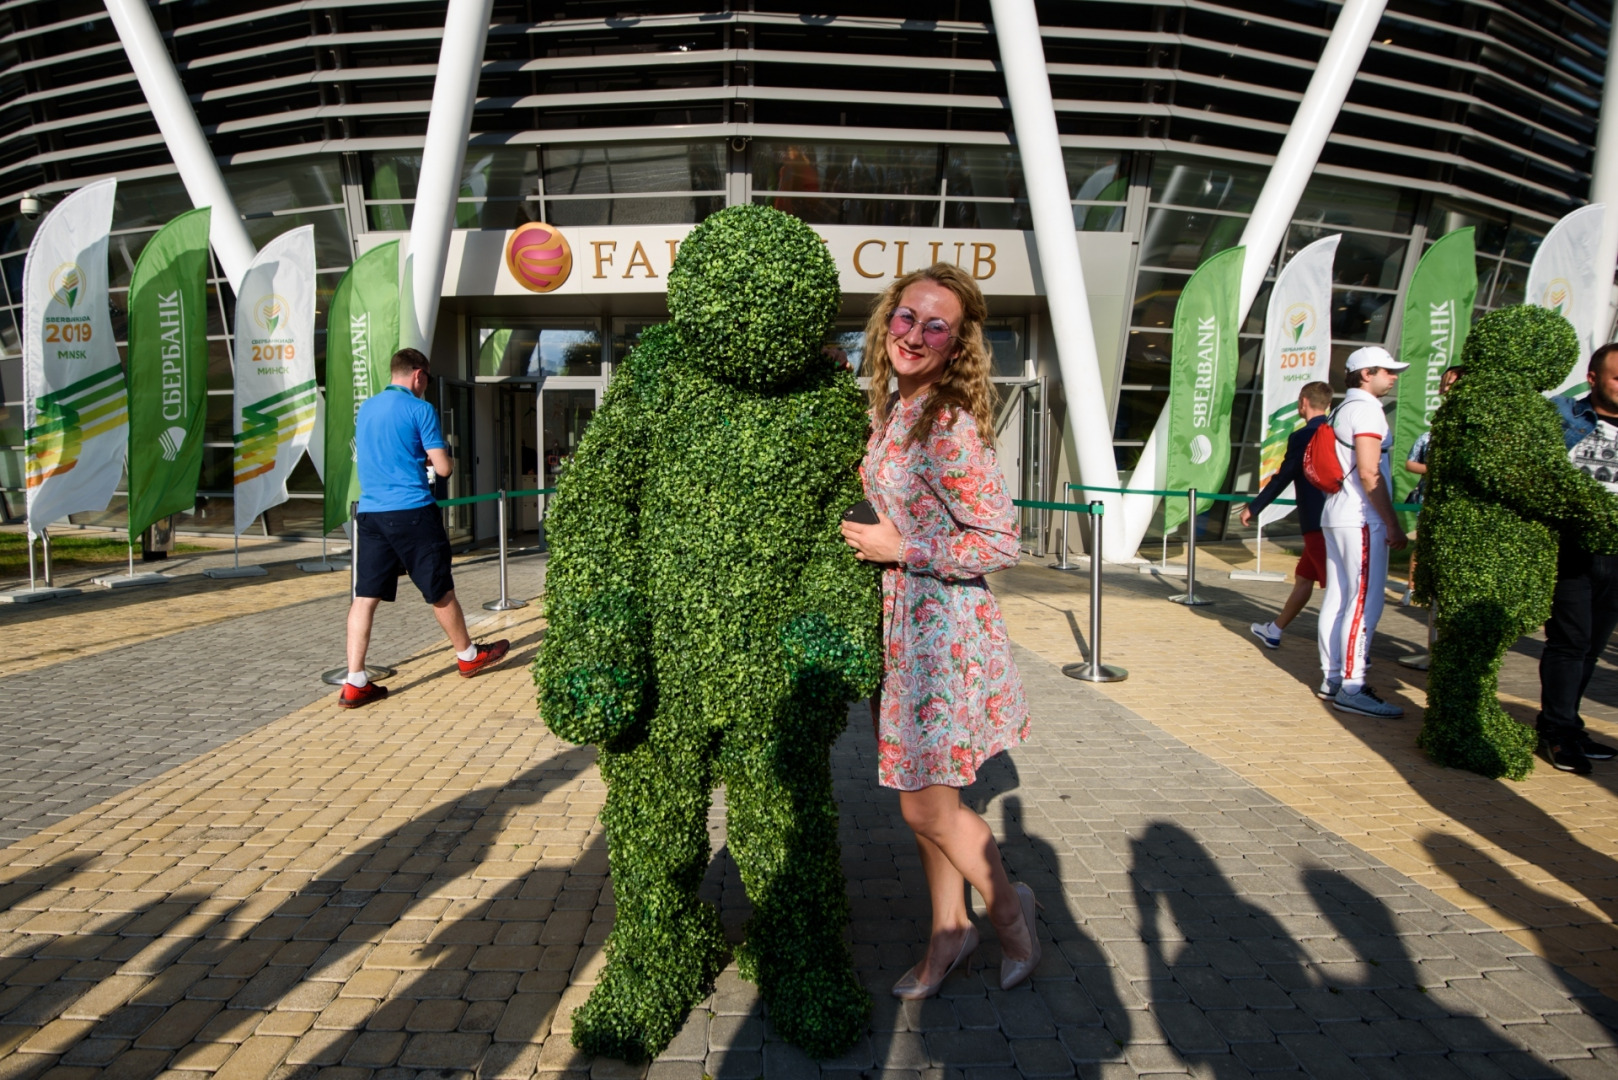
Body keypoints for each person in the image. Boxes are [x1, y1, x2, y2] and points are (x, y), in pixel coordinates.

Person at [839, 264, 1039, 999]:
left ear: (956, 346)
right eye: (906, 317)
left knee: (924, 806)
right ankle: (948, 934)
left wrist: (904, 550)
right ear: (886, 319)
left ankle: (1014, 922)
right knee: (935, 805)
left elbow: (1000, 543)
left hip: (943, 640)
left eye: (936, 326)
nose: (915, 335)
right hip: (902, 633)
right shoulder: (895, 408)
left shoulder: (948, 423)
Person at [339, 348, 509, 707]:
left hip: (369, 514)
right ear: (418, 375)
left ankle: (354, 681)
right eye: (427, 380)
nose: (426, 386)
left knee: (365, 597)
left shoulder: (366, 408)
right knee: (439, 589)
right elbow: (443, 468)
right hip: (412, 511)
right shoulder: (420, 410)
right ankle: (467, 656)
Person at [1317, 346, 1409, 718]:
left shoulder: (1340, 408)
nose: (1394, 377)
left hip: (1338, 512)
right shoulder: (1368, 410)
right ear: (1366, 374)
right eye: (1387, 371)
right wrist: (1391, 521)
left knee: (1339, 598)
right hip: (1360, 517)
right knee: (1363, 602)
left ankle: (1333, 678)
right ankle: (1352, 686)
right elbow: (1370, 472)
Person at [1539, 344, 1618, 772]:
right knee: (1569, 641)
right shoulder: (1564, 414)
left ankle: (1568, 721)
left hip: (1617, 552)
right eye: (1617, 378)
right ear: (1593, 378)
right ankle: (1556, 731)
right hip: (1572, 547)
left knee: (1592, 645)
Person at [1242, 381, 1333, 649]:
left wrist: (1254, 507)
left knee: (1338, 591)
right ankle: (1274, 630)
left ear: (1303, 401)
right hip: (1329, 519)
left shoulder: (1304, 436)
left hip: (1320, 523)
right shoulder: (1336, 432)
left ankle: (1349, 651)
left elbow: (1283, 477)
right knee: (1304, 577)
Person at [1400, 365, 1464, 605]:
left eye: (1452, 383)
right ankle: (1414, 588)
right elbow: (1411, 463)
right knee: (1423, 543)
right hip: (1428, 499)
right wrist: (1437, 470)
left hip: (1456, 501)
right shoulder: (1429, 436)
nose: (1447, 388)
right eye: (1445, 383)